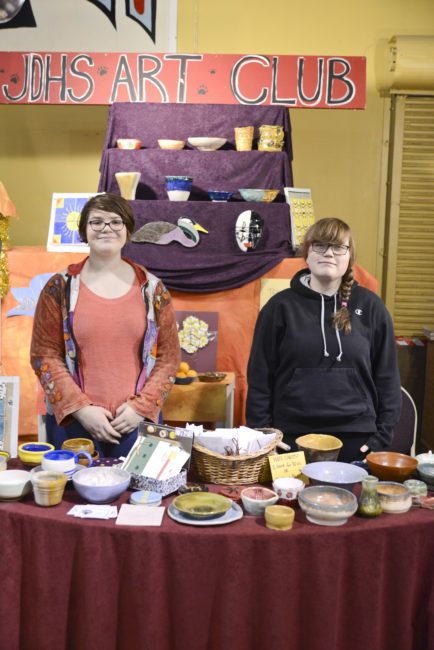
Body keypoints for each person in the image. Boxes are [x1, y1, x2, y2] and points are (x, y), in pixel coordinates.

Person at [30, 193, 180, 458]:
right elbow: (44, 355)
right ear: (84, 232)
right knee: (71, 498)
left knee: (139, 499)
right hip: (74, 425)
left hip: (137, 424)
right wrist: (81, 409)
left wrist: (140, 408)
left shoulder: (153, 290)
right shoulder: (60, 288)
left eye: (115, 221)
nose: (106, 228)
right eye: (96, 222)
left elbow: (169, 358)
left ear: (128, 231)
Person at [246, 217, 402, 463]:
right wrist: (264, 436)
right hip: (290, 437)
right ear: (307, 254)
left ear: (350, 256)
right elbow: (260, 377)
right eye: (319, 245)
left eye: (338, 247)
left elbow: (388, 378)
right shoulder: (279, 307)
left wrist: (380, 438)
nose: (329, 253)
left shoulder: (371, 306)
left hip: (357, 437)